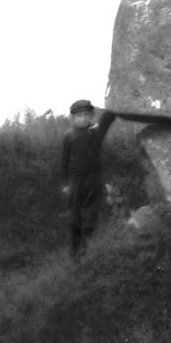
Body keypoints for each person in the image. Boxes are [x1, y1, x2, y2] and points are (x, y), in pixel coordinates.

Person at [61, 99, 117, 256]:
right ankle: (74, 250)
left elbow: (106, 121)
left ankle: (86, 249)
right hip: (75, 181)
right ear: (73, 118)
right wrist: (65, 183)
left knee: (91, 215)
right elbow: (64, 161)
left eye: (87, 115)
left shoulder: (96, 133)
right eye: (79, 115)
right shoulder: (69, 136)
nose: (83, 118)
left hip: (94, 181)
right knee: (74, 218)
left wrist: (115, 105)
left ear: (91, 116)